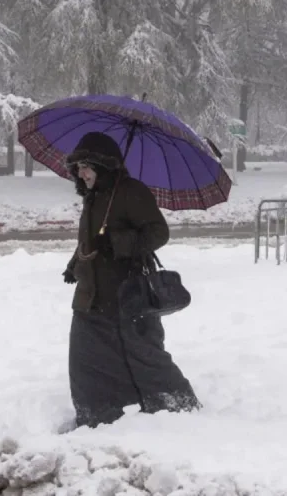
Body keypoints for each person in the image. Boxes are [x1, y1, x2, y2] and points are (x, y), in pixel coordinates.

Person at [62, 131, 200, 429]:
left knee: (143, 356)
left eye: (86, 166)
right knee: (86, 362)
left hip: (125, 295)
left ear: (103, 165)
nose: (80, 172)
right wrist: (74, 265)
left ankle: (177, 405)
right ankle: (98, 415)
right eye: (77, 167)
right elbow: (90, 240)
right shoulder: (94, 196)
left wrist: (118, 243)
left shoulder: (131, 192)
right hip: (91, 296)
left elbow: (158, 233)